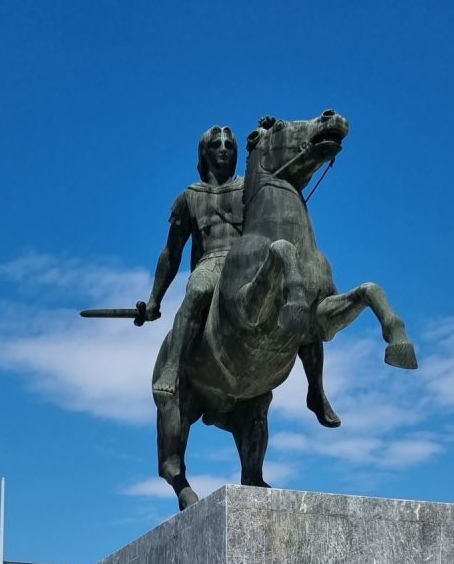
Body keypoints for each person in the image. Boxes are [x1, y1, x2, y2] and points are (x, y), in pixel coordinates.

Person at [140, 125, 339, 426]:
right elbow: (171, 253)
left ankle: (316, 389)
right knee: (197, 291)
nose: (223, 148)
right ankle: (172, 368)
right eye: (216, 144)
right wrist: (155, 300)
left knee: (300, 301)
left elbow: (282, 174)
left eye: (229, 145)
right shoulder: (189, 198)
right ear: (204, 153)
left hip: (249, 262)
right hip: (212, 263)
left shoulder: (249, 188)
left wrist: (270, 133)